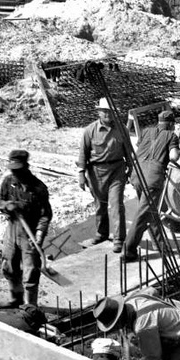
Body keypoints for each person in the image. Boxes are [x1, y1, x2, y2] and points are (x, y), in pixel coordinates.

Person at [0, 149, 52, 307]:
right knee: (9, 265)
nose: (15, 173)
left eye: (18, 170)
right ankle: (16, 299)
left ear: (26, 167)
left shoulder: (38, 188)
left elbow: (45, 215)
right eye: (12, 169)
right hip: (12, 228)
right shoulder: (8, 182)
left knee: (31, 270)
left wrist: (39, 236)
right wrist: (7, 205)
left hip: (30, 233)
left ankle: (30, 306)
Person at [78, 98, 134, 254]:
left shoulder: (122, 129)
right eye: (105, 111)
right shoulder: (89, 131)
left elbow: (128, 151)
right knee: (100, 205)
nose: (108, 114)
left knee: (116, 205)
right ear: (98, 112)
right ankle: (101, 234)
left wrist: (131, 167)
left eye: (110, 111)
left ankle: (118, 239)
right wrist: (81, 174)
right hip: (96, 172)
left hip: (117, 170)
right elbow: (83, 153)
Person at [123, 109, 179, 262]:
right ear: (172, 124)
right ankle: (128, 250)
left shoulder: (147, 131)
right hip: (152, 179)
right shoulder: (172, 135)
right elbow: (174, 157)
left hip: (137, 175)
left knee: (151, 211)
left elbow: (140, 147)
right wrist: (175, 140)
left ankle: (161, 246)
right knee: (143, 215)